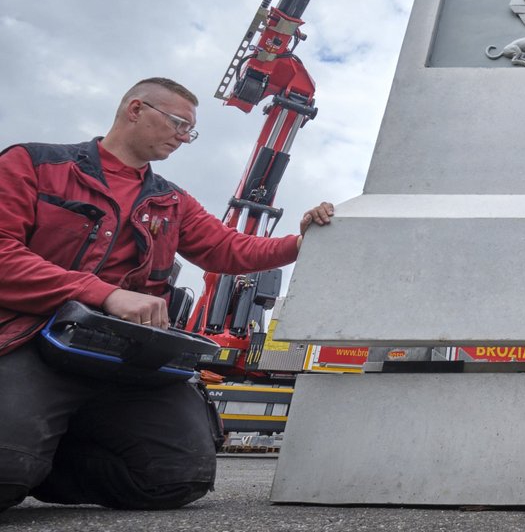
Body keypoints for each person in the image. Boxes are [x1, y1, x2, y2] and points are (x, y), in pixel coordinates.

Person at [0, 77, 335, 513]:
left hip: (120, 354)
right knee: (6, 469)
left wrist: (300, 240)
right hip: (32, 338)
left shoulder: (171, 201)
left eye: (189, 131)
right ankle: (21, 458)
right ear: (135, 110)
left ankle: (43, 456)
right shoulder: (33, 164)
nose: (184, 137)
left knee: (177, 477)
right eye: (179, 123)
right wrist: (103, 295)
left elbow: (230, 248)